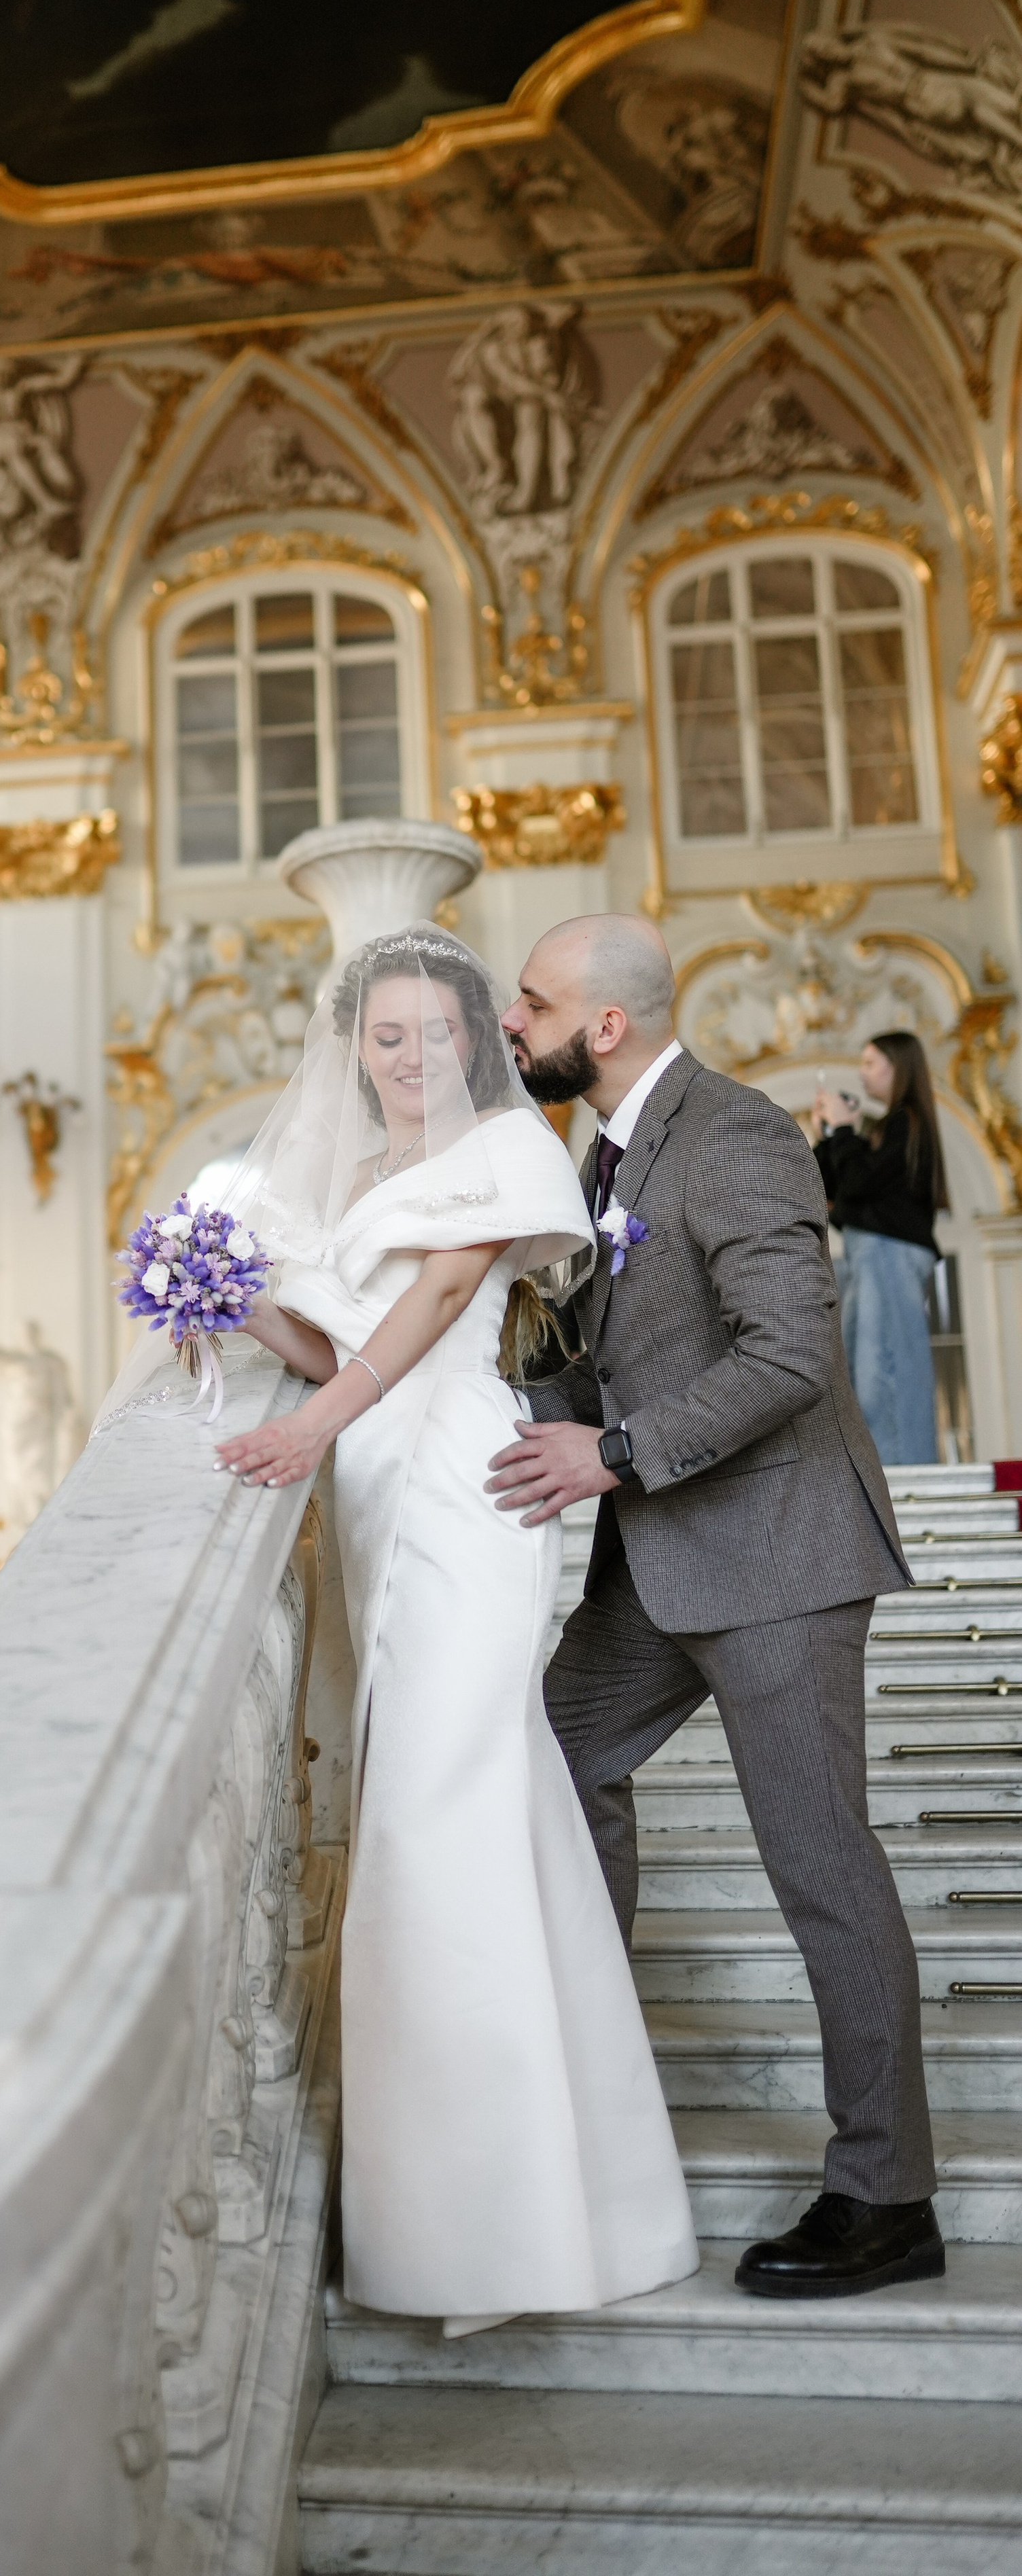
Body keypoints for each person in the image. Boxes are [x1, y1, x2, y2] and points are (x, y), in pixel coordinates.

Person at [212, 926, 698, 2331]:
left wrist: (309, 1423)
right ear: (354, 1049)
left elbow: (436, 1299)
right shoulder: (357, 1176)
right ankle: (552, 2204)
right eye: (386, 1034)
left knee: (444, 1807)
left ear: (480, 1037)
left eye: (436, 1030)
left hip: (466, 1486)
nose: (411, 1054)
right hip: (376, 1481)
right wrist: (234, 1296)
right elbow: (340, 1339)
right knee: (466, 1807)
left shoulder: (508, 1150)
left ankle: (494, 2231)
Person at [488, 914, 940, 2300]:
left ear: (604, 1026)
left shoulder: (734, 1133)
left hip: (779, 1556)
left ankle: (888, 2199)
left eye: (530, 1003)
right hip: (664, 1558)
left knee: (820, 1868)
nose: (511, 1022)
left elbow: (788, 1355)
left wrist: (614, 1455)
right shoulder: (605, 1151)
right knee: (555, 1763)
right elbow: (613, 1357)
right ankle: (588, 2100)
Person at [812, 1034, 947, 1465]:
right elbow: (831, 1190)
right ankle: (884, 1474)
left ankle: (902, 1479)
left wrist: (845, 1131)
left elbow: (855, 1186)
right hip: (870, 1253)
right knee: (865, 1374)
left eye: (871, 1062)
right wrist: (831, 1135)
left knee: (884, 1372)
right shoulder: (888, 1128)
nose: (862, 1072)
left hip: (889, 1253)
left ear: (897, 1065)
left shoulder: (907, 1122)